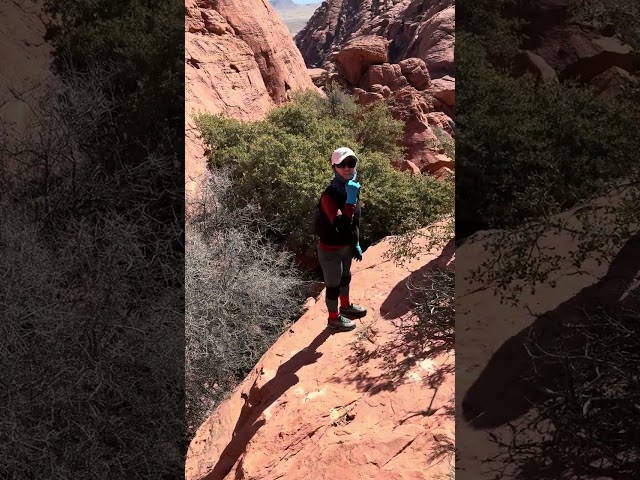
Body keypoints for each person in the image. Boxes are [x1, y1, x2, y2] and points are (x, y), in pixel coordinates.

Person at [314, 147, 368, 331]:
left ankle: (346, 307)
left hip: (346, 246)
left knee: (346, 278)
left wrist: (356, 243)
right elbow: (341, 225)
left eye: (351, 163)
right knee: (333, 284)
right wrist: (351, 199)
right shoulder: (329, 196)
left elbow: (355, 222)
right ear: (334, 167)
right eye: (342, 164)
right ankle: (333, 318)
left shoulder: (351, 187)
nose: (347, 168)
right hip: (331, 250)